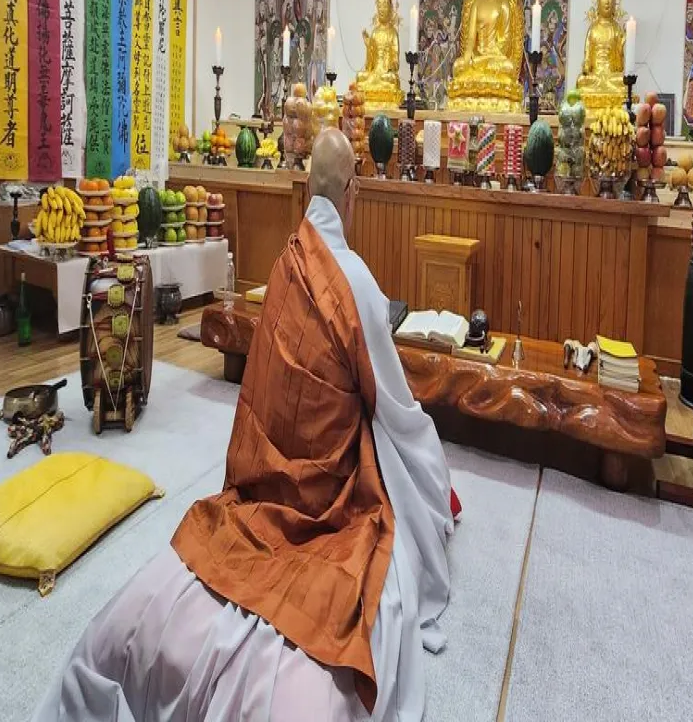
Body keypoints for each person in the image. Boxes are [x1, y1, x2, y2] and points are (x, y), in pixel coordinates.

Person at [33, 129, 454, 722]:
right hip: (327, 493)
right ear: (353, 193)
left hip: (267, 473)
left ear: (307, 188)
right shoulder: (355, 280)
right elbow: (395, 406)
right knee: (390, 447)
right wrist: (432, 470)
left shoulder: (286, 263)